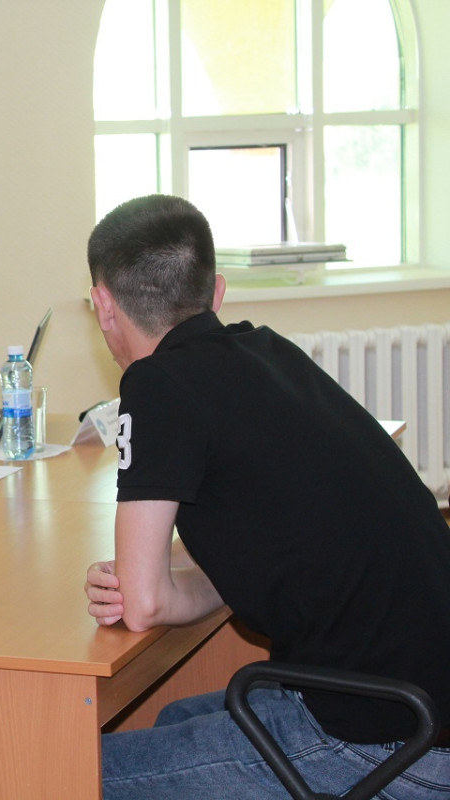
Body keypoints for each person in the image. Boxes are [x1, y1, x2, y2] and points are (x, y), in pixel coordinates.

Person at [82, 194, 450, 798]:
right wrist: (159, 582)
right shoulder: (268, 352)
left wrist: (145, 585)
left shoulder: (156, 384)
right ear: (216, 292)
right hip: (415, 702)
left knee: (69, 771)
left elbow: (142, 607)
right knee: (173, 717)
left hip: (382, 740)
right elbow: (256, 561)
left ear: (102, 305)